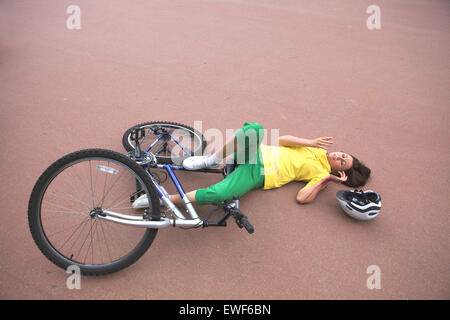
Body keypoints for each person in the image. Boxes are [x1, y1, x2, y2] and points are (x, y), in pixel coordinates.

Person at [133, 122, 371, 208]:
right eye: (343, 153)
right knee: (255, 129)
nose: (338, 154)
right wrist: (309, 141)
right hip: (253, 155)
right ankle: (211, 159)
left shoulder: (322, 175)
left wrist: (327, 180)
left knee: (223, 193)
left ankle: (163, 199)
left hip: (258, 175)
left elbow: (302, 198)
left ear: (340, 171)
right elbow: (282, 140)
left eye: (342, 160)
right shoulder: (314, 148)